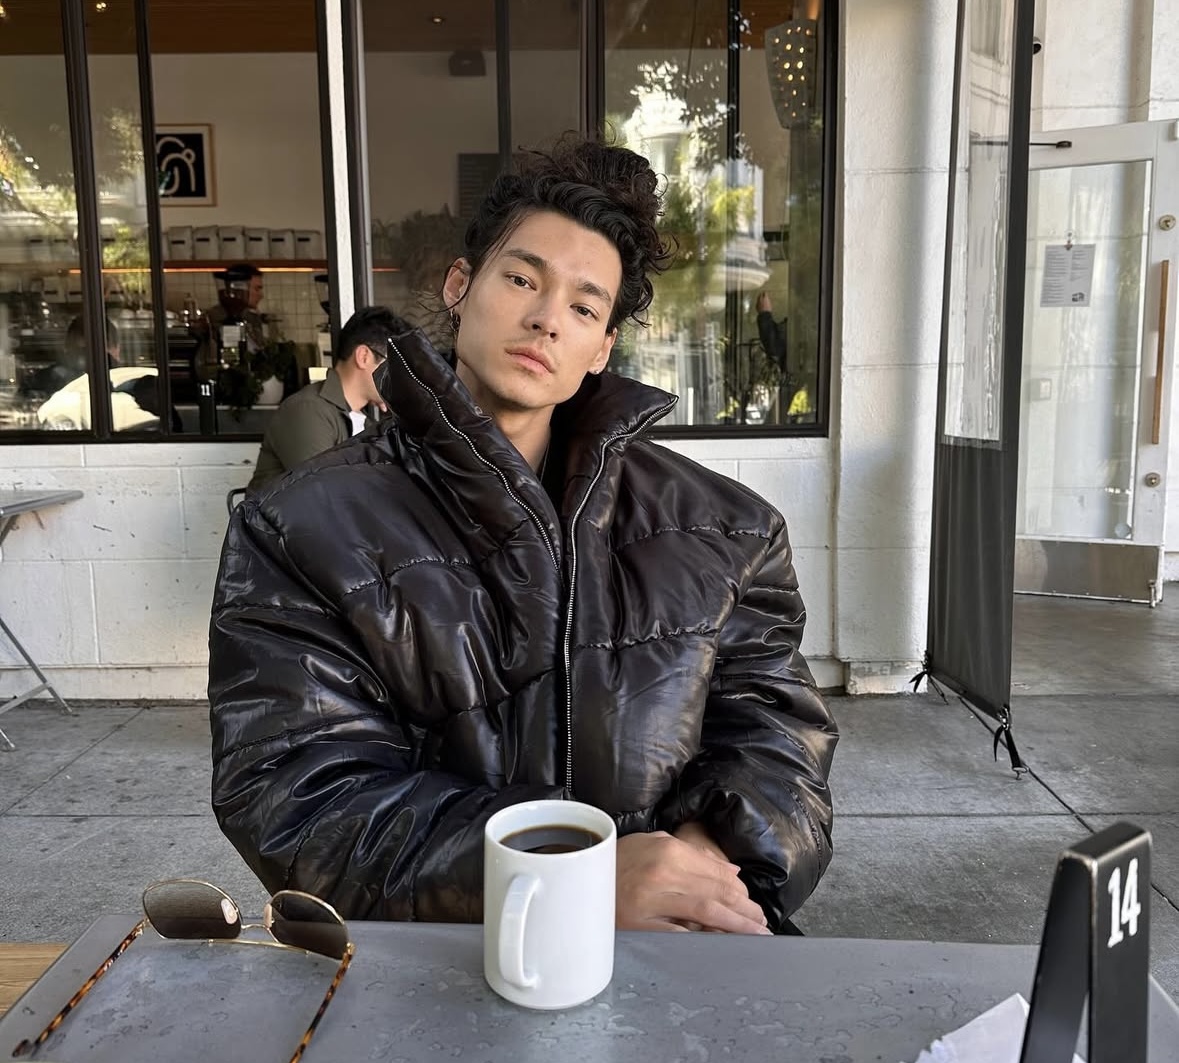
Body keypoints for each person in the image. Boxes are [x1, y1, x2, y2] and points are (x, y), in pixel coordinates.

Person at [209, 137, 837, 935]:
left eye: (584, 307)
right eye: (521, 279)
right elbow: (297, 797)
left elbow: (778, 741)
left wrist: (699, 866)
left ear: (602, 348)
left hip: (681, 961)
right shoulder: (302, 525)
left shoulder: (728, 528)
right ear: (460, 285)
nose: (546, 319)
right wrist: (570, 878)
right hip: (435, 976)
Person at [246, 306, 392, 493]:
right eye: (394, 366)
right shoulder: (307, 410)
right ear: (364, 356)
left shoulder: (365, 420)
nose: (400, 378)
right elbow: (324, 494)